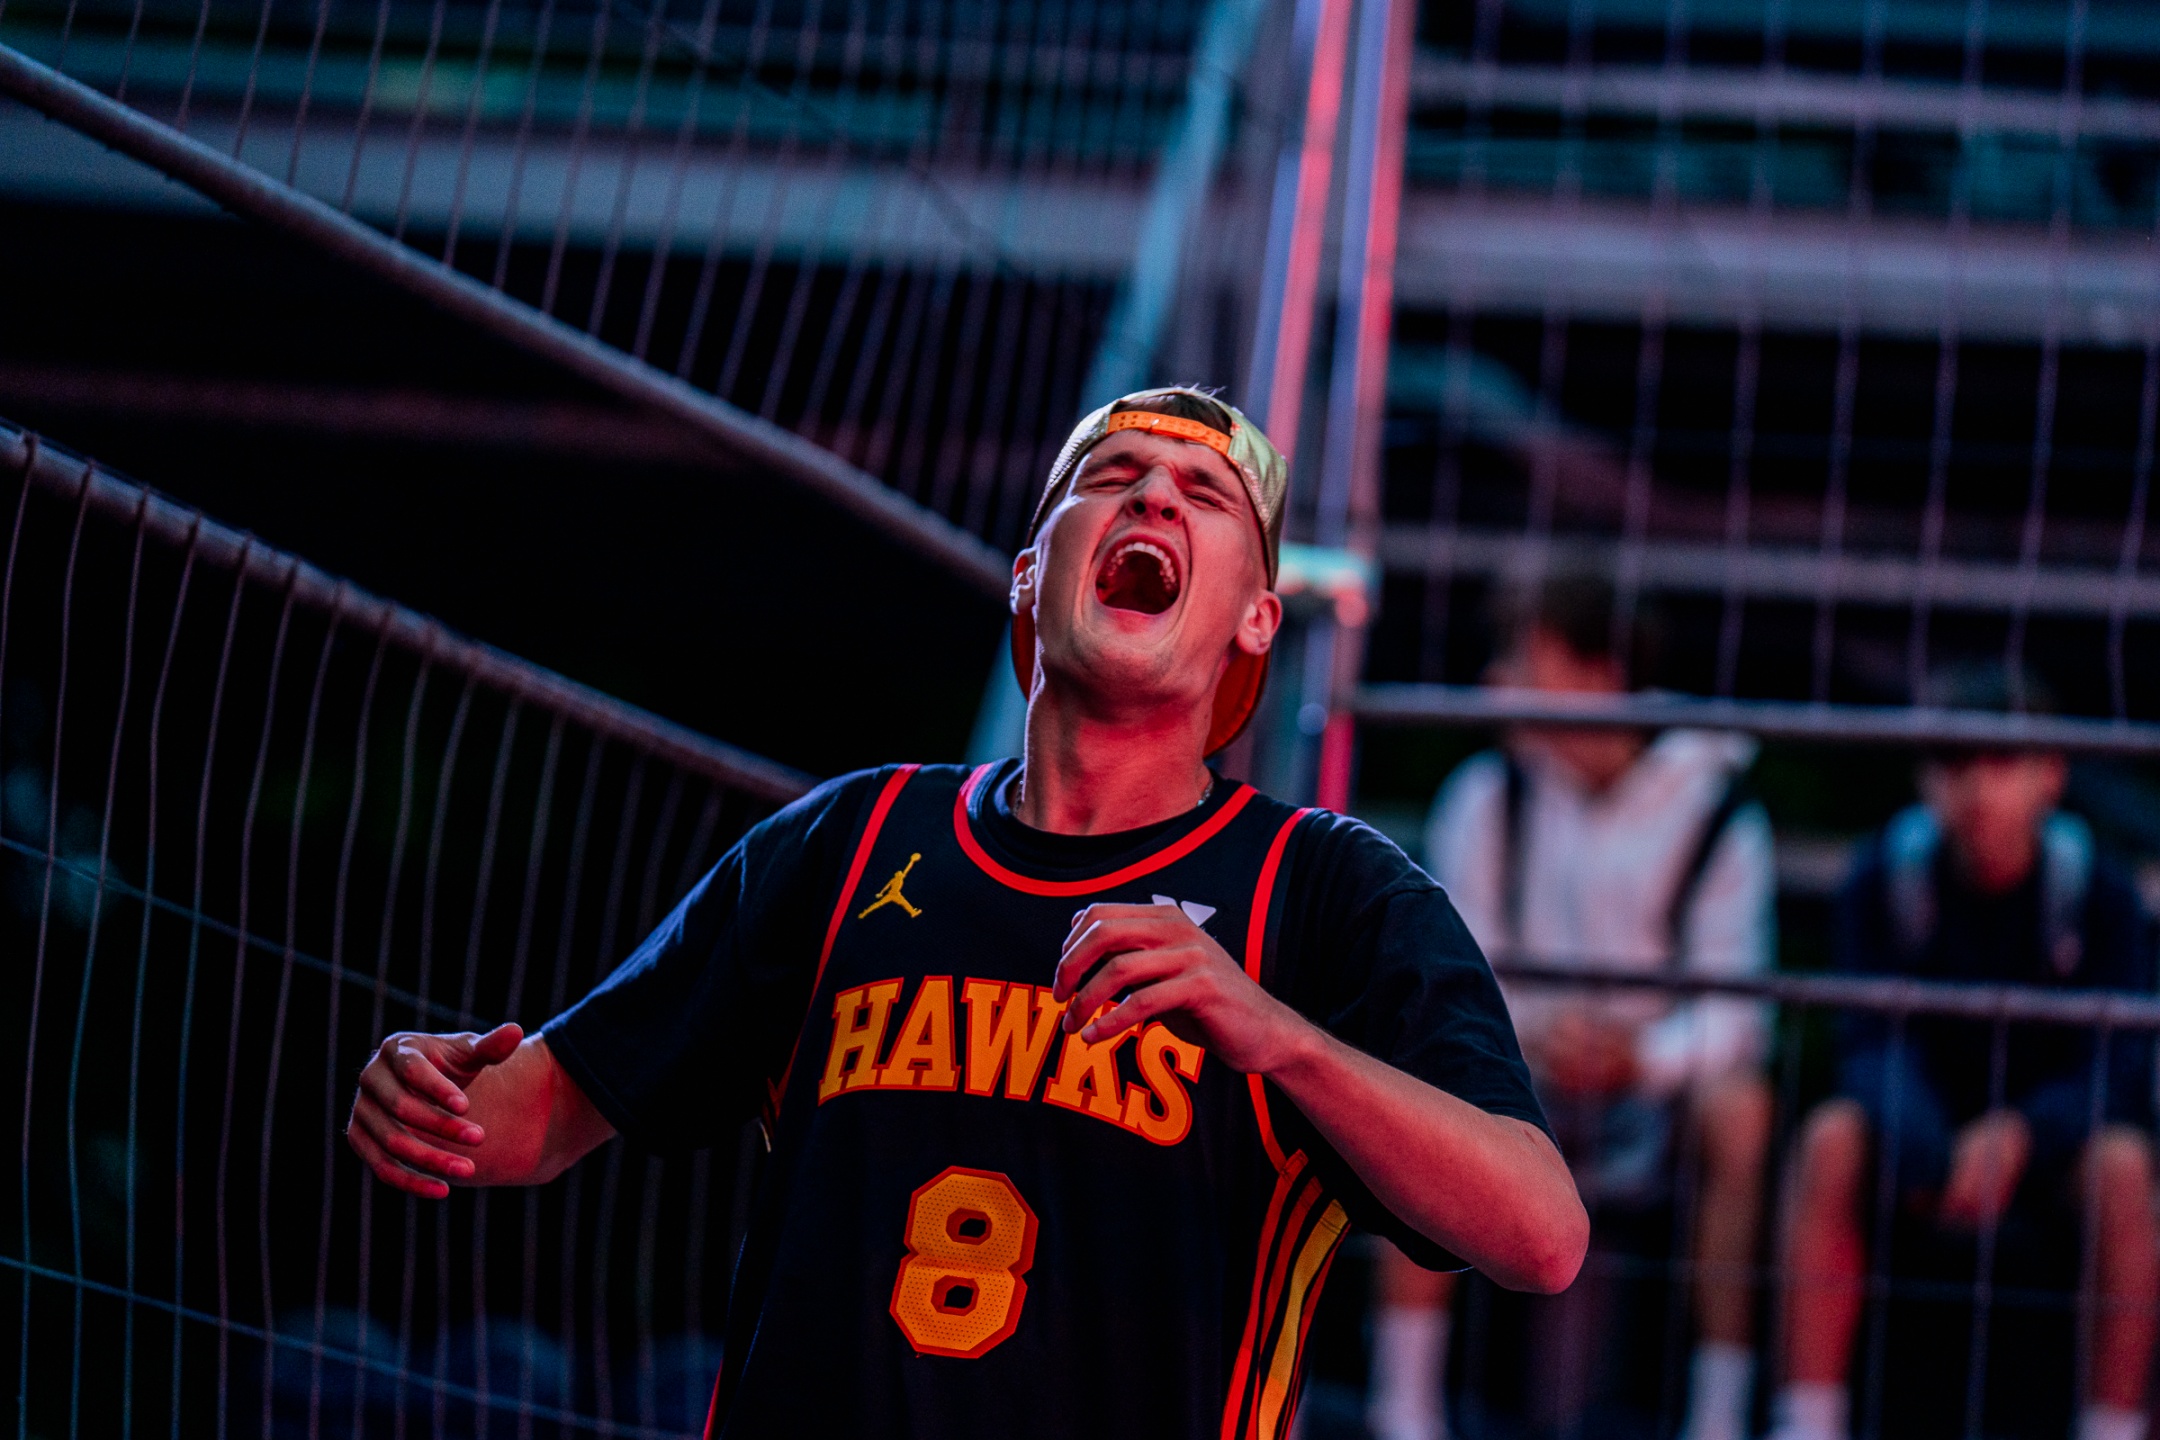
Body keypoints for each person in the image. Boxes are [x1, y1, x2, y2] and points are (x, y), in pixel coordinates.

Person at [343, 387, 1588, 1440]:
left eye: (1205, 497)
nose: (1155, 500)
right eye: (1112, 478)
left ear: (1256, 619)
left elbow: (1541, 1236)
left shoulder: (1325, 890)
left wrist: (1281, 1039)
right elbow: (536, 1115)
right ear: (1031, 574)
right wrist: (427, 1091)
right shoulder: (850, 839)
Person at [1369, 572, 1776, 1440]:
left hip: (1657, 1094)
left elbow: (1739, 1010)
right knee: (1417, 1083)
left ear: (1600, 674)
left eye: (1524, 658)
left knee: (1742, 1115)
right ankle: (1403, 1411)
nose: (1497, 681)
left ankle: (1718, 1417)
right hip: (1515, 1072)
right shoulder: (1486, 794)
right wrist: (1530, 1040)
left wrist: (1643, 1059)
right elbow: (1451, 974)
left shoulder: (1717, 806)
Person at [1770, 664, 2158, 1440]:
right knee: (1830, 1140)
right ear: (1926, 775)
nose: (1978, 788)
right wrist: (1930, 1151)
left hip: (2054, 1153)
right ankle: (1807, 1421)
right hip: (1918, 1145)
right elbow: (1866, 1039)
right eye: (1954, 763)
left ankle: (2112, 1428)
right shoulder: (1883, 876)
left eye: (2002, 762)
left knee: (2125, 1169)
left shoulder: (2101, 892)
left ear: (2051, 775)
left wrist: (2023, 1136)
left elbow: (2118, 1063)